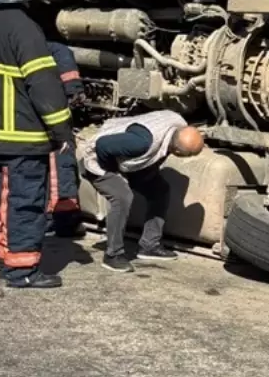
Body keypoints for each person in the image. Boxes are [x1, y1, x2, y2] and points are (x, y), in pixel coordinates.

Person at [0, 0, 75, 289]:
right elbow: (43, 85)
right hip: (22, 136)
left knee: (5, 202)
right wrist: (61, 130)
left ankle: (8, 262)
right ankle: (23, 271)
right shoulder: (26, 29)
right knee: (25, 203)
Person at [79, 111, 205, 274]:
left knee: (160, 190)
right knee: (123, 196)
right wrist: (116, 174)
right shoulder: (141, 143)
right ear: (178, 152)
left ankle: (149, 245)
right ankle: (113, 255)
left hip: (129, 162)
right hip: (98, 160)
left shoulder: (179, 124)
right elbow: (103, 145)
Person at [47, 35, 83, 236]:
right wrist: (75, 92)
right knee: (61, 167)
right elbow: (73, 88)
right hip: (55, 119)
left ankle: (55, 219)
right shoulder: (56, 49)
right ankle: (64, 222)